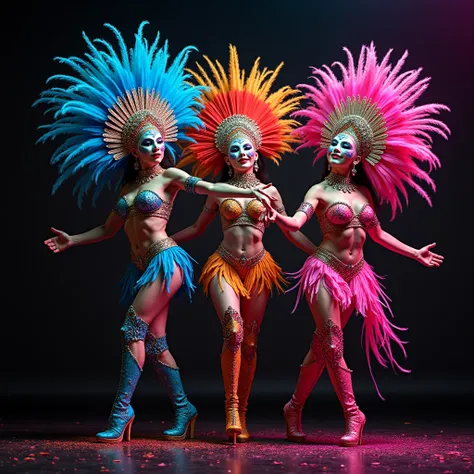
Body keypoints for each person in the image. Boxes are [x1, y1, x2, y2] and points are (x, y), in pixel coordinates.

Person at [37, 22, 273, 444]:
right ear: (132, 148)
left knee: (132, 328)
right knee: (156, 340)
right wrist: (73, 239)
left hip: (166, 261)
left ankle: (121, 412)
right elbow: (109, 230)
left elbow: (209, 188)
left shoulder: (170, 178)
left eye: (161, 141)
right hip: (140, 266)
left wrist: (244, 187)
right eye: (148, 143)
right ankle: (185, 408)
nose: (157, 147)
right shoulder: (127, 188)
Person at [267, 43, 449, 446]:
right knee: (331, 338)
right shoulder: (317, 189)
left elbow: (378, 235)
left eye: (343, 146)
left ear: (356, 156)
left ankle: (294, 406)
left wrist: (414, 252)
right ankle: (354, 413)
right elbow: (298, 220)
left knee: (322, 347)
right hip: (324, 272)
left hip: (357, 277)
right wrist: (282, 218)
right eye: (332, 144)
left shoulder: (365, 194)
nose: (335, 148)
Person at [173, 45, 318, 443]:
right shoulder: (217, 192)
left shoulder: (270, 191)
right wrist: (167, 239)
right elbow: (198, 228)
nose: (241, 153)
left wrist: (317, 251)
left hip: (258, 267)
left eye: (246, 148)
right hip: (223, 265)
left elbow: (291, 229)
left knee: (251, 341)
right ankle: (231, 407)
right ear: (226, 154)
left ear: (257, 153)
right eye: (234, 149)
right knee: (233, 330)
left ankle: (245, 410)